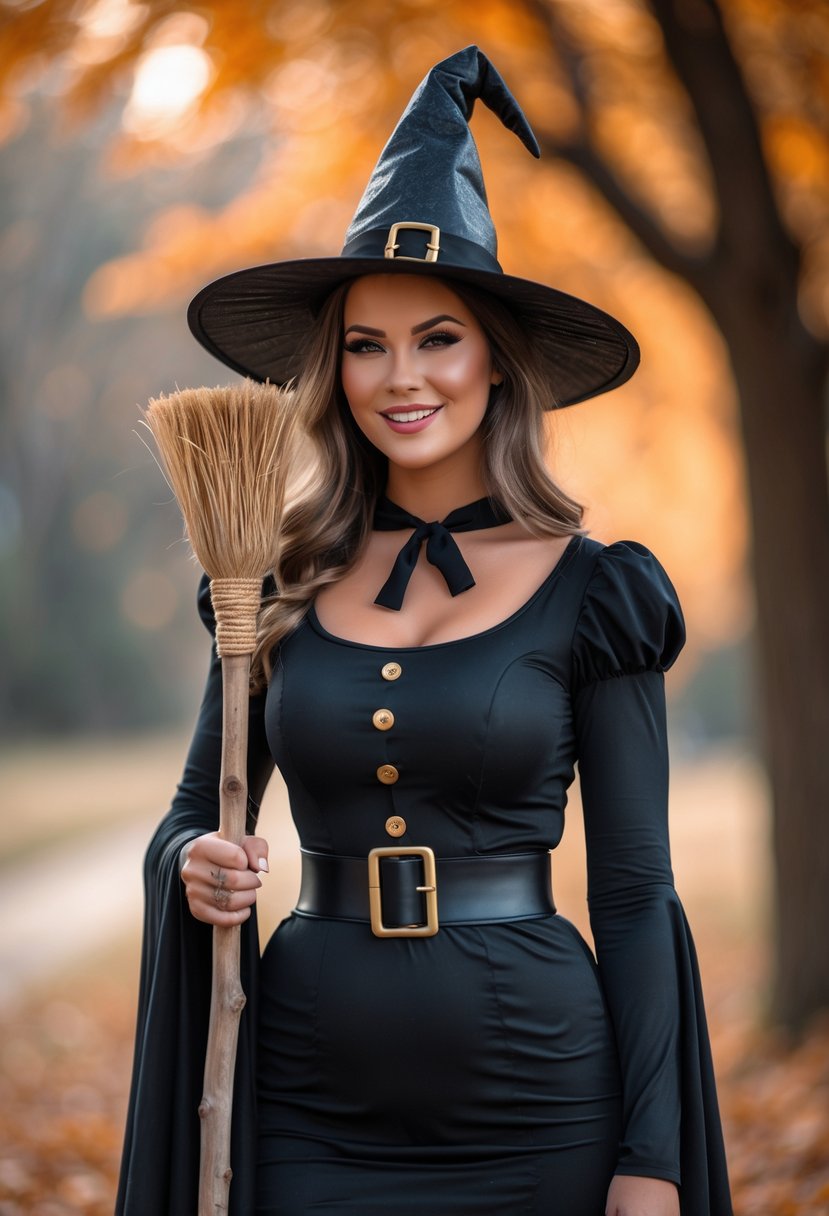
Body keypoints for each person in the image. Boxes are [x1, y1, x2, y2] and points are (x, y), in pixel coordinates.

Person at [117, 46, 733, 1216]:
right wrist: (189, 863)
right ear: (331, 365)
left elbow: (637, 893)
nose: (400, 377)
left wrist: (650, 1160)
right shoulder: (273, 580)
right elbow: (198, 816)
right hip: (305, 1102)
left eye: (436, 337)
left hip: (543, 1101)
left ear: (496, 360)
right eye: (364, 343)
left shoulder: (595, 592)